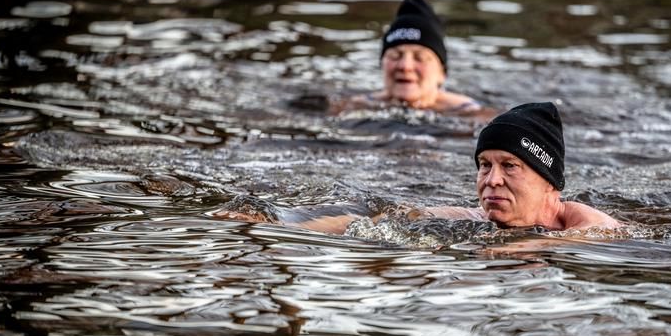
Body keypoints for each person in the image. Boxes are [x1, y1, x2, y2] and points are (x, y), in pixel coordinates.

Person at [217, 102, 623, 234]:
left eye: (510, 166)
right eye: (484, 165)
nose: (491, 180)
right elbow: (379, 220)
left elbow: (581, 242)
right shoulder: (473, 218)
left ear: (550, 182)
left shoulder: (587, 224)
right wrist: (279, 224)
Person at [330, 0, 485, 114]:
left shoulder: (470, 114)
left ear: (442, 73)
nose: (405, 66)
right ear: (381, 64)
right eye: (395, 56)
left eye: (420, 57)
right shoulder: (350, 108)